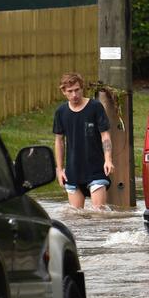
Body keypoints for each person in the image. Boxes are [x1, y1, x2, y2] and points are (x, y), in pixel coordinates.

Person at [53, 72, 113, 209]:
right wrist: (60, 169)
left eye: (77, 90)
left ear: (82, 88)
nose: (74, 95)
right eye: (70, 91)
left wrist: (108, 159)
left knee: (99, 214)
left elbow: (105, 135)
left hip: (95, 168)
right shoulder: (61, 112)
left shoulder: (95, 107)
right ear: (64, 91)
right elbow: (59, 141)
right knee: (76, 217)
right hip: (73, 171)